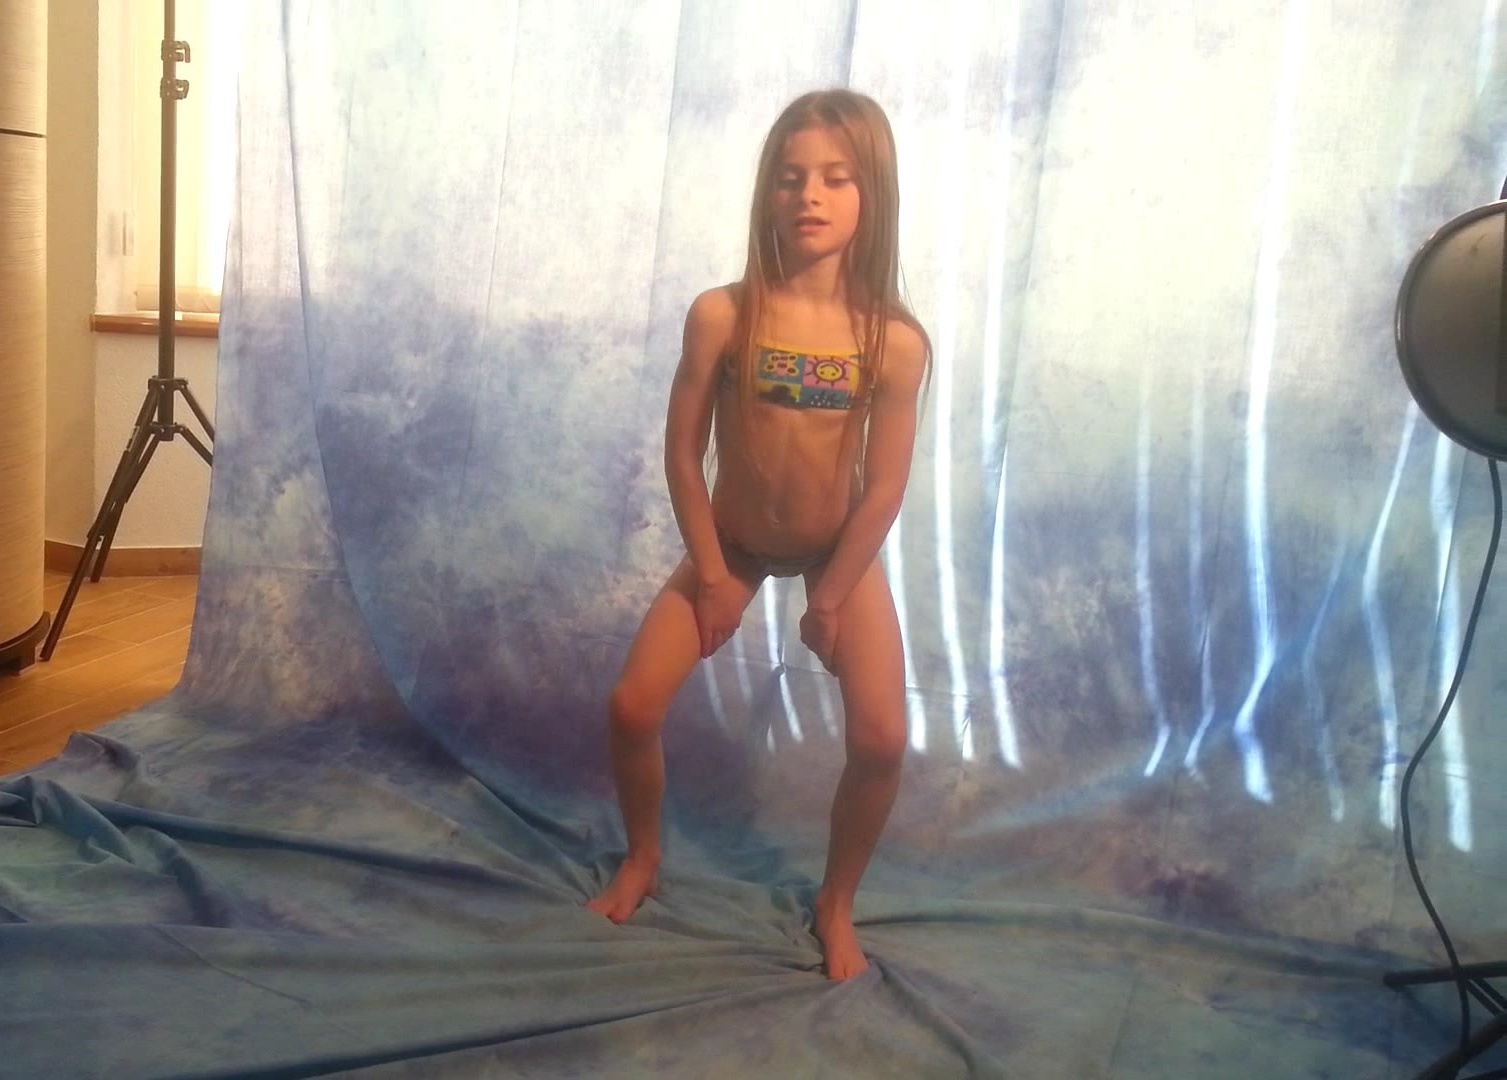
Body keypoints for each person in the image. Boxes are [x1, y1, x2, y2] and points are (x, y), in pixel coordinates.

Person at [587, 88, 932, 981]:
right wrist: (709, 574)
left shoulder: (893, 342)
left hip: (834, 555)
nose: (808, 195)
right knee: (631, 706)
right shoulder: (723, 315)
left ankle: (835, 902)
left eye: (835, 178)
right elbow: (681, 451)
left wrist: (831, 597)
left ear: (872, 194)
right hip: (733, 545)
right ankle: (643, 856)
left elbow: (884, 486)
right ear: (766, 192)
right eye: (789, 177)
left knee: (882, 740)